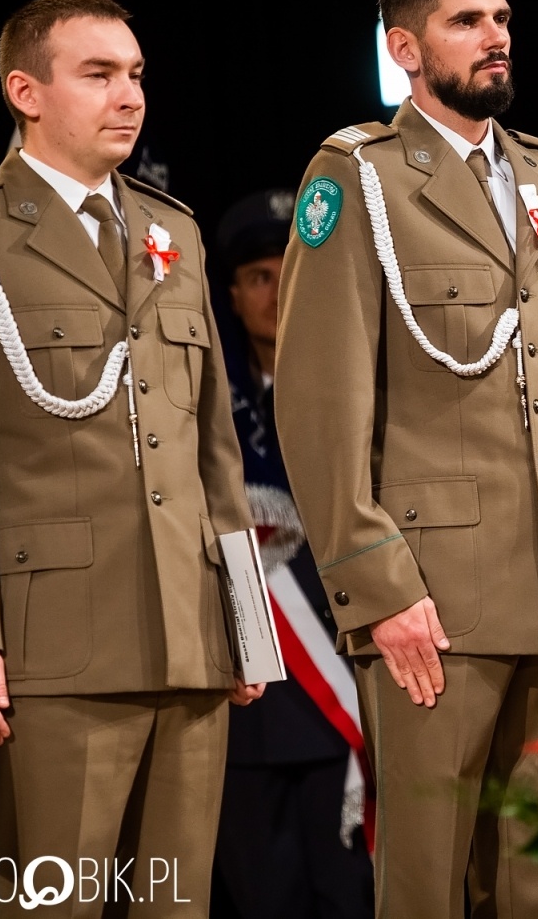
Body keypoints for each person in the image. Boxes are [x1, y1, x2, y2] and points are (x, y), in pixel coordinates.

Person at [274, 0, 538, 919]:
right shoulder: (358, 177)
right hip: (432, 602)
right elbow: (318, 406)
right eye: (467, 21)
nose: (496, 38)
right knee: (427, 888)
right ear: (405, 48)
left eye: (503, 19)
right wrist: (378, 587)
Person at [0, 0, 262, 914]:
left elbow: (214, 454)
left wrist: (245, 622)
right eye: (99, 74)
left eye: (137, 74)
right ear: (25, 92)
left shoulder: (172, 231)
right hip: (50, 647)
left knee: (174, 904)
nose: (130, 95)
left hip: (189, 638)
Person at [209, 190, 373, 919]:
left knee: (351, 894)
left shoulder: (365, 391)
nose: (277, 294)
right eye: (258, 277)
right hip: (247, 702)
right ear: (232, 296)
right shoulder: (203, 407)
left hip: (345, 687)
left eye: (291, 273)